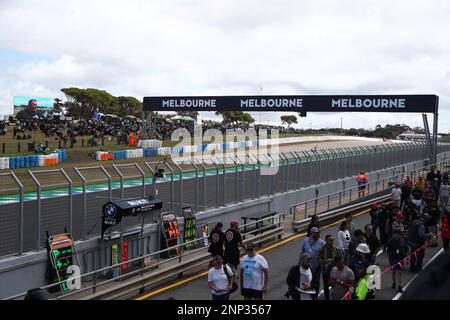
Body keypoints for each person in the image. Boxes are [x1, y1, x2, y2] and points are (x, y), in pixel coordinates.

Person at [300, 227, 324, 299]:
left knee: (315, 281)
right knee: (305, 280)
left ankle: (315, 295)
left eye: (318, 233)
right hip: (306, 266)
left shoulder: (321, 242)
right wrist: (299, 262)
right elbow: (302, 252)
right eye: (316, 233)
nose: (318, 234)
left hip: (316, 266)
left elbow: (324, 254)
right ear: (312, 233)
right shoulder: (305, 241)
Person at [318, 235, 339, 300]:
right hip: (326, 271)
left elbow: (338, 258)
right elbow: (319, 259)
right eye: (330, 240)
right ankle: (327, 298)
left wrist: (334, 261)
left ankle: (335, 297)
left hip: (334, 270)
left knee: (335, 285)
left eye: (332, 240)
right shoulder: (322, 249)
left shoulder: (335, 249)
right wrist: (326, 261)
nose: (332, 241)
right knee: (326, 286)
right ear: (326, 241)